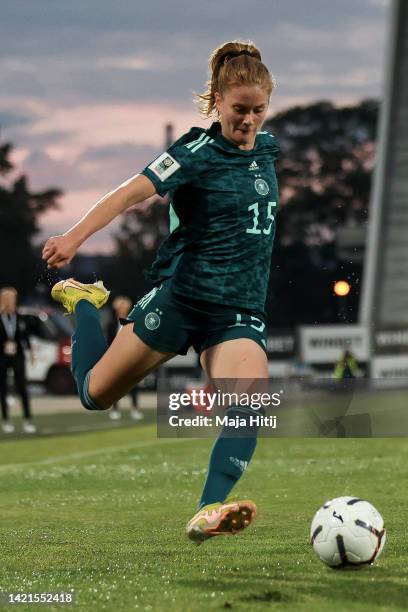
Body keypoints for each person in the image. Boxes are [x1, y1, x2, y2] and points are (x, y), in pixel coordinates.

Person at [42, 40, 279, 544]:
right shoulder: (194, 153)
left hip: (237, 310)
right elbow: (129, 194)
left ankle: (207, 510)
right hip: (181, 299)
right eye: (240, 110)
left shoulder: (267, 151)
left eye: (259, 110)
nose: (249, 121)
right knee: (95, 395)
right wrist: (73, 239)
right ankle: (85, 304)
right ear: (217, 100)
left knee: (249, 407)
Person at [0, 287, 36, 434]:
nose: (11, 302)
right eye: (8, 299)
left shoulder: (20, 317)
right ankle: (6, 420)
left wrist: (31, 352)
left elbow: (25, 336)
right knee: (2, 388)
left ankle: (27, 419)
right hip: (1, 356)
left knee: (22, 387)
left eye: (13, 299)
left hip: (18, 355)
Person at [107, 296, 144, 421]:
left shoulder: (133, 322)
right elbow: (108, 343)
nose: (121, 310)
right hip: (115, 359)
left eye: (123, 308)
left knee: (133, 386)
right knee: (115, 386)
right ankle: (115, 409)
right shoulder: (111, 325)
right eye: (119, 308)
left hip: (130, 359)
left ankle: (135, 409)